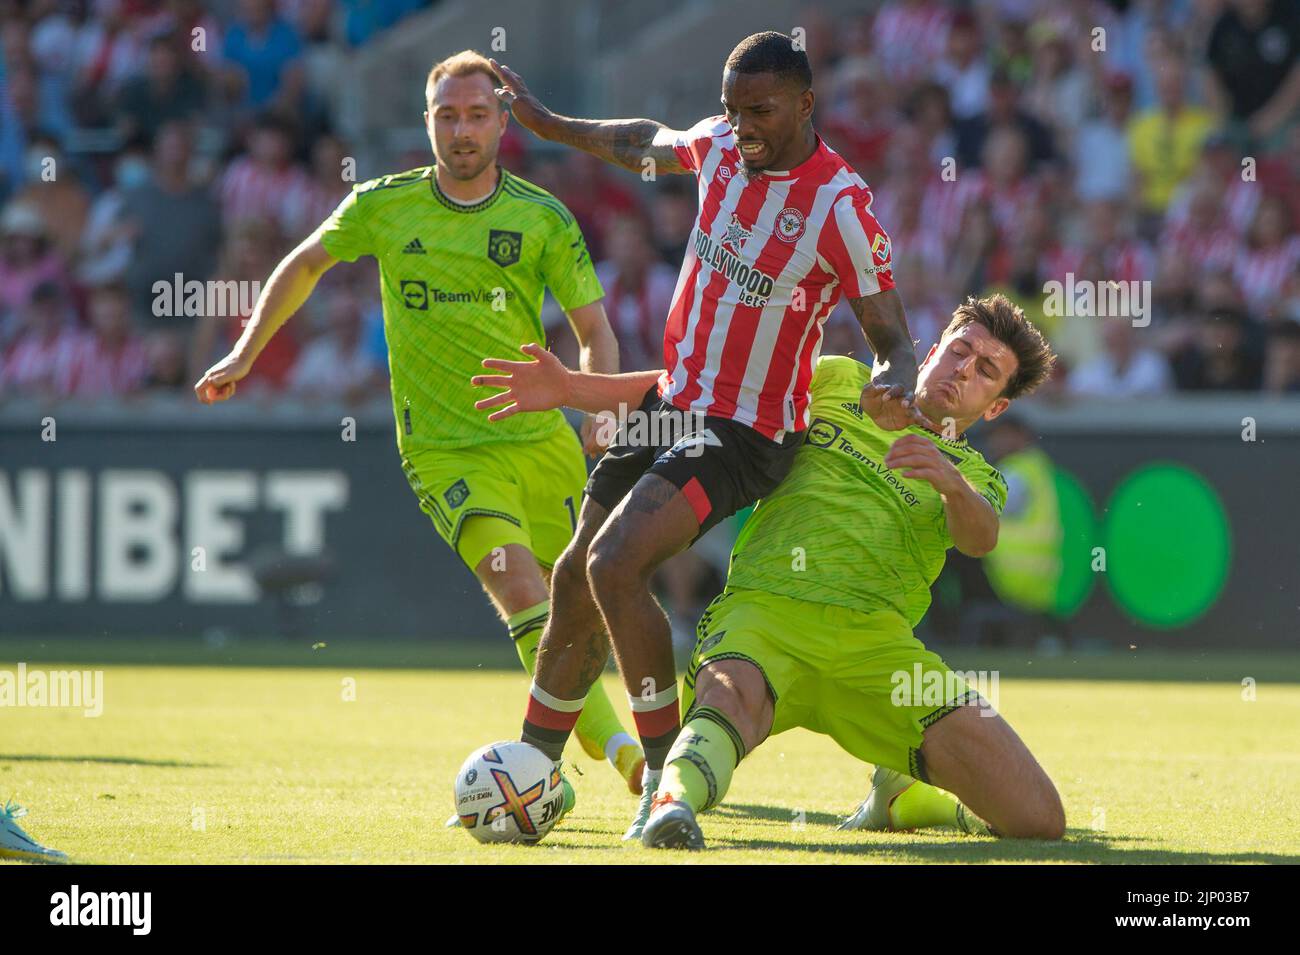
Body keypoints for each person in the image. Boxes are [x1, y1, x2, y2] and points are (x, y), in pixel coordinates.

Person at [490, 31, 924, 838]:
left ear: (805, 103)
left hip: (748, 428)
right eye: (732, 109)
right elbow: (646, 142)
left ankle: (664, 781)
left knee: (617, 561)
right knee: (574, 578)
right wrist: (548, 125)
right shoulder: (721, 146)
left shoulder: (840, 204)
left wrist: (898, 375)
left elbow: (893, 334)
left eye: (759, 110)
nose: (742, 126)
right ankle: (531, 772)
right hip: (673, 397)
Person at [193, 49, 643, 800]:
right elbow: (305, 264)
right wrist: (245, 350)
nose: (461, 129)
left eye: (475, 114)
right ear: (426, 122)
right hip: (444, 451)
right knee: (520, 585)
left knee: (585, 616)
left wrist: (598, 407)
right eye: (446, 115)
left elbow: (595, 329)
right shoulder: (382, 204)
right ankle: (625, 756)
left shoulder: (541, 218)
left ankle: (620, 733)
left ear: (503, 122)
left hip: (541, 443)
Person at [473, 294, 1064, 849]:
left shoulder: (976, 474)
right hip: (762, 615)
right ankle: (667, 802)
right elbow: (698, 392)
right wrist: (574, 388)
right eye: (960, 350)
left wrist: (949, 480)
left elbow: (980, 536)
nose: (964, 370)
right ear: (932, 349)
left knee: (1039, 819)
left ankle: (909, 801)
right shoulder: (837, 379)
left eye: (987, 371)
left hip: (877, 649)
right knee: (729, 702)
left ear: (996, 407)